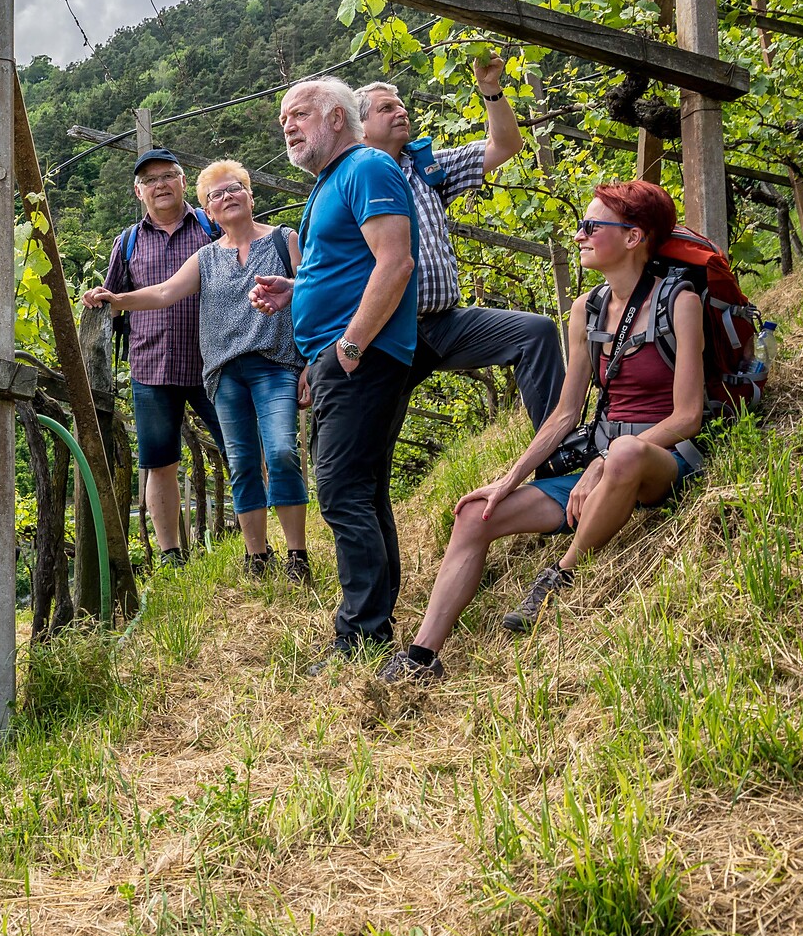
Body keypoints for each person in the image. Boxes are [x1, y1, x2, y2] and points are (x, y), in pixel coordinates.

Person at [378, 181, 705, 684]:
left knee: (621, 457)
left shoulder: (678, 301)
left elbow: (688, 416)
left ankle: (560, 575)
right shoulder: (587, 310)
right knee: (473, 515)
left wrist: (603, 459)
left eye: (593, 227)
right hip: (605, 458)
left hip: (660, 458)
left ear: (635, 237)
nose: (579, 235)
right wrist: (507, 481)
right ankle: (422, 656)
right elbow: (564, 413)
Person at [250, 77, 418, 669]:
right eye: (282, 120)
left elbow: (395, 263)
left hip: (359, 359)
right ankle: (373, 623)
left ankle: (360, 636)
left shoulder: (366, 167)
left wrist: (347, 348)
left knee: (344, 492)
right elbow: (351, 267)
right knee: (363, 491)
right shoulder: (331, 184)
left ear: (336, 118)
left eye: (297, 115)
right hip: (344, 357)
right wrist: (296, 290)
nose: (287, 126)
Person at [83, 159, 309, 580]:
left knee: (272, 452)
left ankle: (294, 554)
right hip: (181, 369)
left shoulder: (261, 237)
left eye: (234, 189)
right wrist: (110, 299)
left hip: (245, 364)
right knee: (184, 461)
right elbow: (158, 293)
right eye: (150, 180)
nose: (160, 185)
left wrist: (312, 362)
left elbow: (313, 296)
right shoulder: (141, 243)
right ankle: (230, 557)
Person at [356, 61, 564, 429]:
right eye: (386, 108)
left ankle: (560, 455)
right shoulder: (353, 180)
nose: (401, 111)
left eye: (401, 105)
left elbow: (506, 144)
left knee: (536, 333)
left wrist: (490, 89)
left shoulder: (425, 169)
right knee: (372, 442)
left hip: (445, 324)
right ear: (361, 129)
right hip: (387, 331)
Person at [97, 147, 225, 565]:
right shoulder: (127, 241)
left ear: (183, 182)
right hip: (151, 369)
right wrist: (101, 296)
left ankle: (255, 539)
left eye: (168, 176)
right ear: (139, 192)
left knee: (243, 449)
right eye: (150, 180)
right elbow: (111, 300)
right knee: (160, 462)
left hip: (214, 363)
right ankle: (172, 553)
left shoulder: (211, 226)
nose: (161, 185)